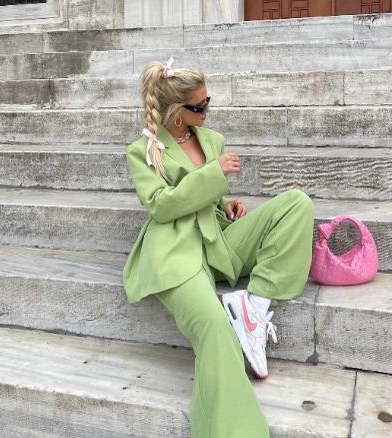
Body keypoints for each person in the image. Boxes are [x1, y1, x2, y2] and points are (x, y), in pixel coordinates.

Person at [122, 57, 314, 437]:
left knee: (297, 203)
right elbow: (162, 206)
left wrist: (225, 203)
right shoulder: (143, 151)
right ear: (176, 111)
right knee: (215, 331)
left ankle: (254, 305)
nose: (208, 111)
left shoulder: (211, 140)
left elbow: (204, 199)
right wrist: (214, 176)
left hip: (218, 240)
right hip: (175, 252)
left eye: (209, 102)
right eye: (199, 106)